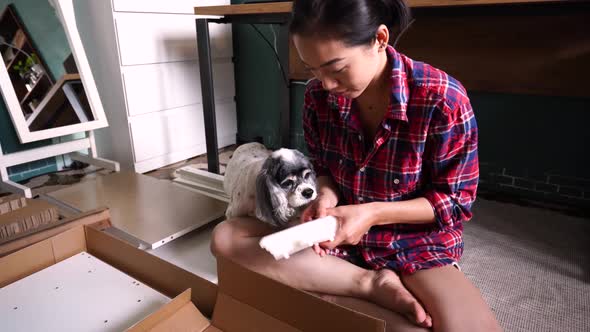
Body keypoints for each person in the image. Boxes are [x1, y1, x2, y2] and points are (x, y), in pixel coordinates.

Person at [211, 0, 502, 331]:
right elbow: (323, 166)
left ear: (379, 39)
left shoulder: (443, 101)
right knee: (226, 239)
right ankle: (370, 285)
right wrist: (326, 196)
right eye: (313, 70)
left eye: (336, 68)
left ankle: (338, 300)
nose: (327, 84)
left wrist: (373, 214)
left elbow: (454, 203)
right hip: (336, 235)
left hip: (414, 242)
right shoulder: (317, 97)